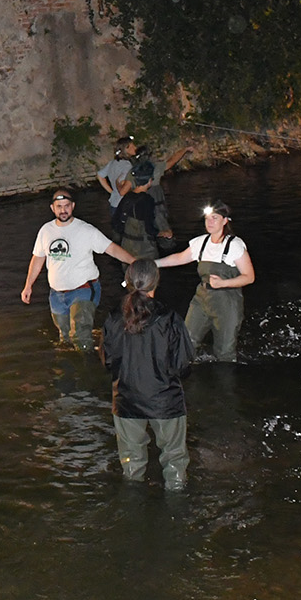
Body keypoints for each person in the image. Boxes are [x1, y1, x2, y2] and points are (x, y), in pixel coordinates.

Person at [100, 260, 193, 489]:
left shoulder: (113, 317)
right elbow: (183, 364)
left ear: (129, 281)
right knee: (175, 461)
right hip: (165, 401)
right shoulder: (170, 318)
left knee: (131, 466)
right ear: (156, 281)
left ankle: (132, 510)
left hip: (126, 400)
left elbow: (107, 361)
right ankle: (177, 508)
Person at [22, 188, 135, 350]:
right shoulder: (45, 231)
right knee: (65, 337)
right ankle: (74, 365)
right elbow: (38, 258)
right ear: (52, 208)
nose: (63, 210)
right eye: (59, 206)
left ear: (73, 206)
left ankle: (88, 367)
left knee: (80, 336)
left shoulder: (86, 230)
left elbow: (111, 249)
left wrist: (134, 261)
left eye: (66, 205)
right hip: (57, 294)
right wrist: (28, 285)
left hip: (83, 289)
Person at [155, 202, 256, 362]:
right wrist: (153, 263)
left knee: (224, 353)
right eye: (207, 218)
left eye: (215, 218)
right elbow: (179, 258)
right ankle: (183, 381)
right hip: (201, 299)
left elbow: (249, 276)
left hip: (227, 303)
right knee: (186, 343)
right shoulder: (200, 242)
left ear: (225, 221)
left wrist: (223, 283)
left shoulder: (234, 246)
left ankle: (224, 384)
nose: (210, 222)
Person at [111, 159, 163, 261]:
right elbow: (149, 228)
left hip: (126, 248)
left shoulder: (127, 197)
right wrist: (161, 233)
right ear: (149, 181)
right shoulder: (147, 200)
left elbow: (115, 222)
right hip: (143, 249)